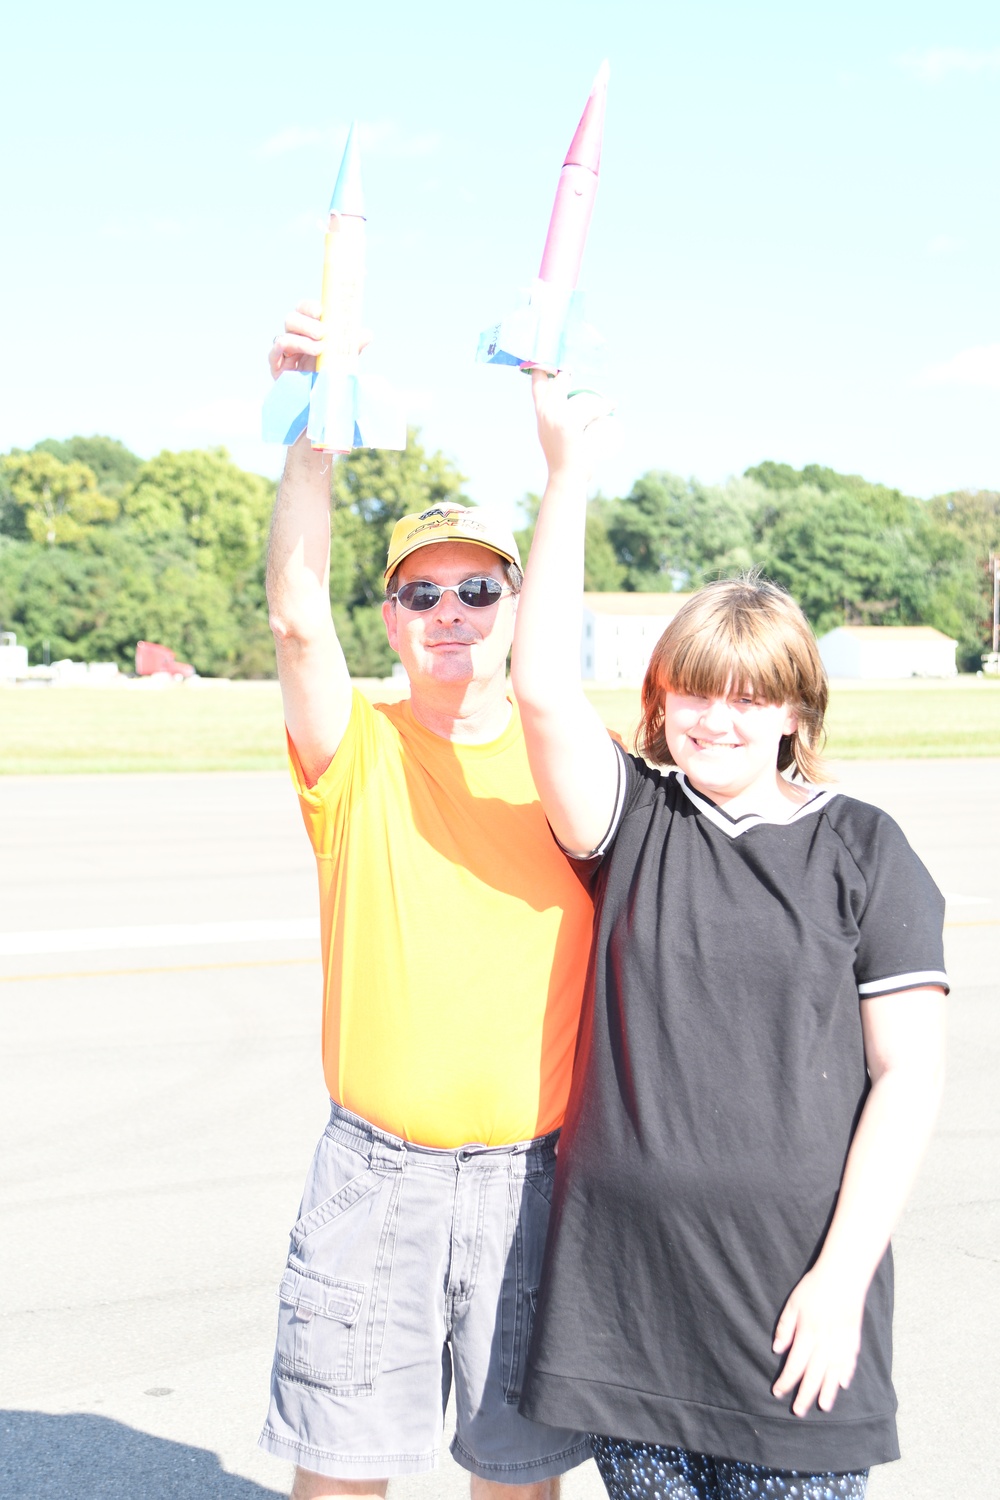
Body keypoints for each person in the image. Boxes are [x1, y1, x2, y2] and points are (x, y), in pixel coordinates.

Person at [510, 372, 949, 1500]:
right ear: (662, 703)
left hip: (790, 1306)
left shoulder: (864, 849)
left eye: (753, 697)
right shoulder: (634, 823)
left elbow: (906, 1078)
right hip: (628, 1310)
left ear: (797, 709)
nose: (721, 719)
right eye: (697, 694)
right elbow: (545, 689)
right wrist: (566, 479)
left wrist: (841, 1278)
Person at [255, 307, 594, 1500]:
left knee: (517, 1483)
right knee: (340, 1478)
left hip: (531, 1183)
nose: (449, 611)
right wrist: (311, 438)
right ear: (391, 620)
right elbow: (296, 619)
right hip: (375, 1180)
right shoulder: (357, 753)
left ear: (515, 604)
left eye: (477, 590)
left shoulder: (576, 764)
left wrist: (565, 472)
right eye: (420, 594)